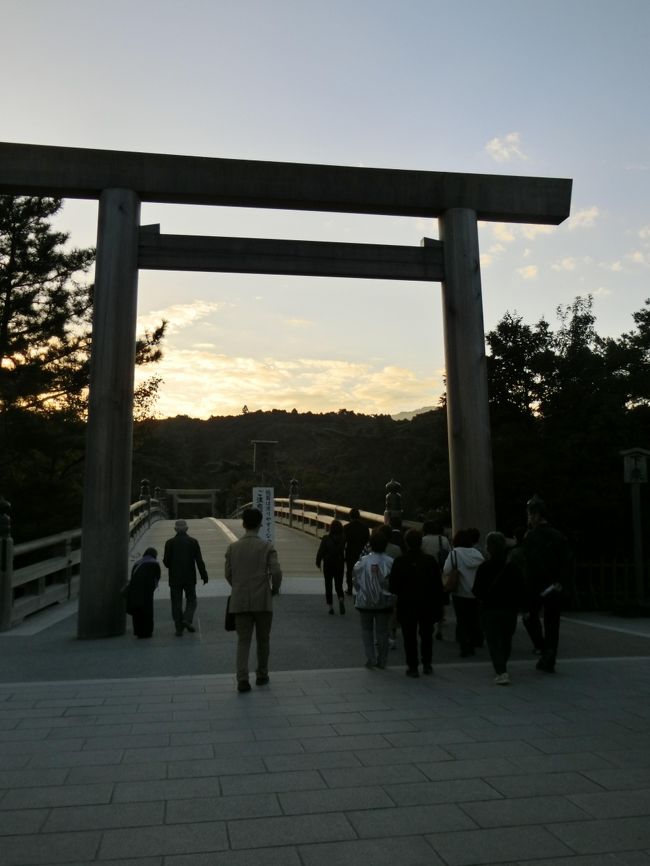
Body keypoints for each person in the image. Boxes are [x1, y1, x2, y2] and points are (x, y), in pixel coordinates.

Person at [225, 507, 283, 693]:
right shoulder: (267, 547)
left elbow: (228, 574)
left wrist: (238, 585)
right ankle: (262, 674)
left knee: (243, 641)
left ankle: (242, 679)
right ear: (260, 524)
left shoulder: (233, 548)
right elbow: (276, 571)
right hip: (262, 600)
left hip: (240, 599)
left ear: (243, 524)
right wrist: (275, 588)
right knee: (263, 639)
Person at [523, 496, 570, 673]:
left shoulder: (531, 536)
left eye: (529, 514)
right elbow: (566, 562)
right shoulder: (559, 536)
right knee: (552, 622)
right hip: (556, 585)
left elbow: (531, 564)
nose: (528, 518)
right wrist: (560, 581)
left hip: (536, 586)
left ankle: (544, 649)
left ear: (536, 515)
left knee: (529, 616)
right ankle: (550, 653)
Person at [389, 529, 445, 677]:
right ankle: (427, 664)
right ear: (421, 542)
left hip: (407, 604)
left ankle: (412, 666)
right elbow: (437, 585)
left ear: (406, 543)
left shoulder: (400, 561)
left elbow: (393, 586)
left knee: (409, 636)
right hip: (427, 603)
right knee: (426, 635)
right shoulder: (430, 561)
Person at [472, 532, 525, 685]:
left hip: (489, 608)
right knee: (506, 639)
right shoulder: (512, 568)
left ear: (488, 548)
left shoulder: (484, 567)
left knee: (493, 641)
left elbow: (476, 591)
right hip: (509, 609)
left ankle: (501, 671)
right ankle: (502, 665)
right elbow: (521, 588)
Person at [352, 527, 394, 669]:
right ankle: (383, 659)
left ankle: (370, 658)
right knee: (382, 631)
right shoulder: (390, 562)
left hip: (365, 601)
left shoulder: (362, 561)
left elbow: (355, 580)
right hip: (384, 601)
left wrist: (361, 591)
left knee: (366, 630)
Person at [163, 519, 209, 636]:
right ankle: (187, 619)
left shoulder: (169, 543)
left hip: (174, 578)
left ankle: (179, 628)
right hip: (189, 577)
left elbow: (166, 562)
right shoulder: (193, 542)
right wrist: (204, 575)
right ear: (187, 529)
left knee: (176, 603)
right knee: (192, 600)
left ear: (175, 529)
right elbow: (199, 561)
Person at [443, 529, 484, 657]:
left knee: (462, 620)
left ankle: (464, 646)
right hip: (476, 591)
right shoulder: (477, 554)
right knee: (474, 618)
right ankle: (473, 642)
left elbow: (446, 569)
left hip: (460, 591)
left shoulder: (455, 554)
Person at [422, 519, 451, 640]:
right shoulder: (443, 540)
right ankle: (439, 627)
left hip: (425, 573)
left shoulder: (423, 540)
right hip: (440, 573)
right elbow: (449, 554)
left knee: (426, 601)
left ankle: (428, 623)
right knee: (440, 601)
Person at [126, 547, 160, 639]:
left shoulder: (137, 563)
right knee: (147, 610)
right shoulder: (154, 563)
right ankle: (147, 631)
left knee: (137, 610)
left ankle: (138, 631)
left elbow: (133, 577)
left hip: (135, 590)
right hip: (147, 590)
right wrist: (153, 588)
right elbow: (157, 578)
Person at [316, 519, 346, 615]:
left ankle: (330, 607)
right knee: (339, 584)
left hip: (328, 564)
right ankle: (341, 599)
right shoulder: (343, 538)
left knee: (328, 585)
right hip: (339, 563)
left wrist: (318, 561)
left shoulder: (325, 538)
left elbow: (320, 551)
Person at [343, 508, 370, 595]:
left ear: (350, 517)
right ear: (359, 517)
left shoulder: (346, 527)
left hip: (350, 552)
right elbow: (368, 541)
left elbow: (344, 542)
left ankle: (350, 589)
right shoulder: (365, 527)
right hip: (362, 552)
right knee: (362, 571)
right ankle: (362, 589)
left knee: (350, 570)